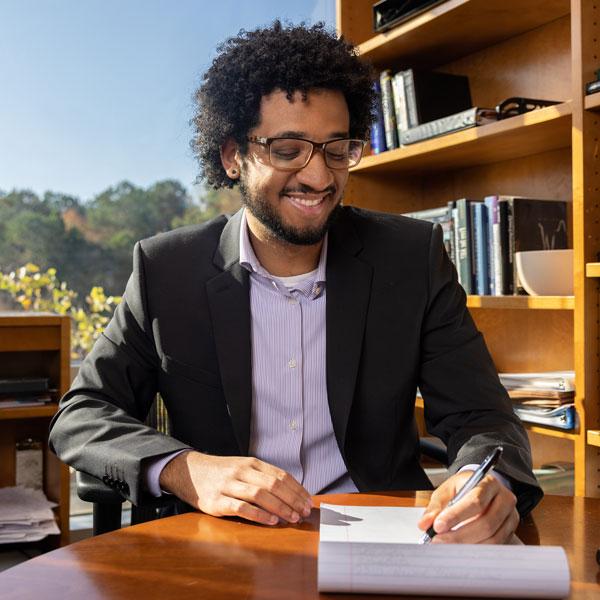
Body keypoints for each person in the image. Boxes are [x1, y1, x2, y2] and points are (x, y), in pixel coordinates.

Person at [49, 21, 542, 543]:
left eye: (336, 150)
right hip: (222, 545)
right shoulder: (167, 270)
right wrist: (186, 469)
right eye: (288, 150)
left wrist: (478, 479)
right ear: (233, 156)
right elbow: (81, 415)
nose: (320, 177)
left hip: (388, 536)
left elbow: (483, 415)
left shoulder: (410, 258)